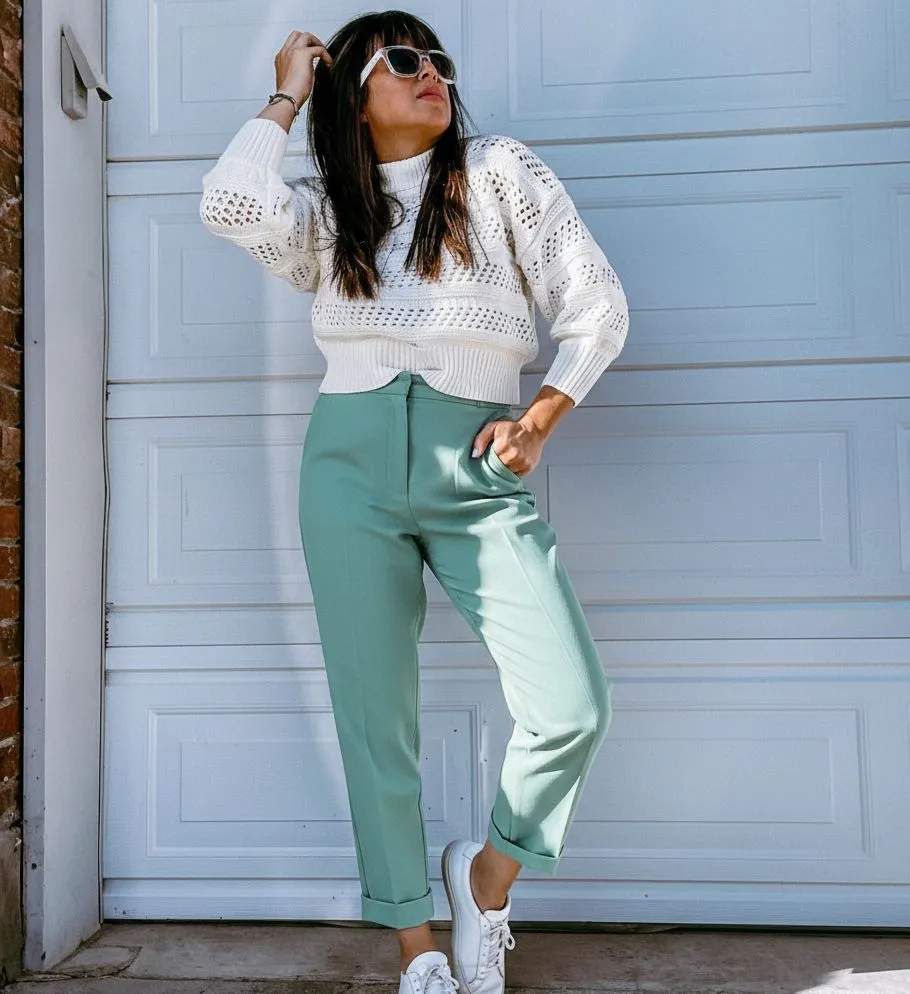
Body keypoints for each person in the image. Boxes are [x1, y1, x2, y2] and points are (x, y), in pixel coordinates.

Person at [199, 10, 629, 994]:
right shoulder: (328, 216)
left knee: (569, 702)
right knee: (374, 717)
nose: (430, 71)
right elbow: (227, 202)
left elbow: (596, 303)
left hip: (471, 457)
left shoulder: (500, 174)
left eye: (437, 58)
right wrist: (286, 90)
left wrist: (542, 415)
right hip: (345, 462)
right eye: (402, 59)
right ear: (355, 91)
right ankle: (416, 947)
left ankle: (486, 880)